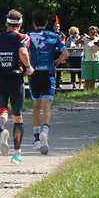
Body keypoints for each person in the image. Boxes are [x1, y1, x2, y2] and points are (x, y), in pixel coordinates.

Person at [0, 10, 33, 163]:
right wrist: (28, 66)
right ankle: (17, 154)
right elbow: (23, 52)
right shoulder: (24, 37)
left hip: (0, 78)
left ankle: (2, 130)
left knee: (2, 113)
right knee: (17, 116)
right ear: (20, 24)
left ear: (6, 23)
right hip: (16, 78)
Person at [25, 14, 69, 155]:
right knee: (47, 106)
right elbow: (66, 53)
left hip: (34, 74)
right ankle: (45, 131)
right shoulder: (54, 36)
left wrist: (27, 65)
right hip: (48, 73)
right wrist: (56, 62)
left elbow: (22, 51)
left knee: (36, 106)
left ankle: (37, 139)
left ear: (33, 23)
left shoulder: (28, 36)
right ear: (47, 23)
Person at [80, 25, 99, 91]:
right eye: (91, 31)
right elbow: (77, 42)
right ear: (89, 32)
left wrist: (98, 44)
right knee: (87, 78)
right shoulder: (85, 39)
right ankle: (86, 91)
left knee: (94, 79)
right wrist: (80, 38)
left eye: (94, 31)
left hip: (96, 60)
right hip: (87, 60)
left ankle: (91, 91)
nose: (93, 33)